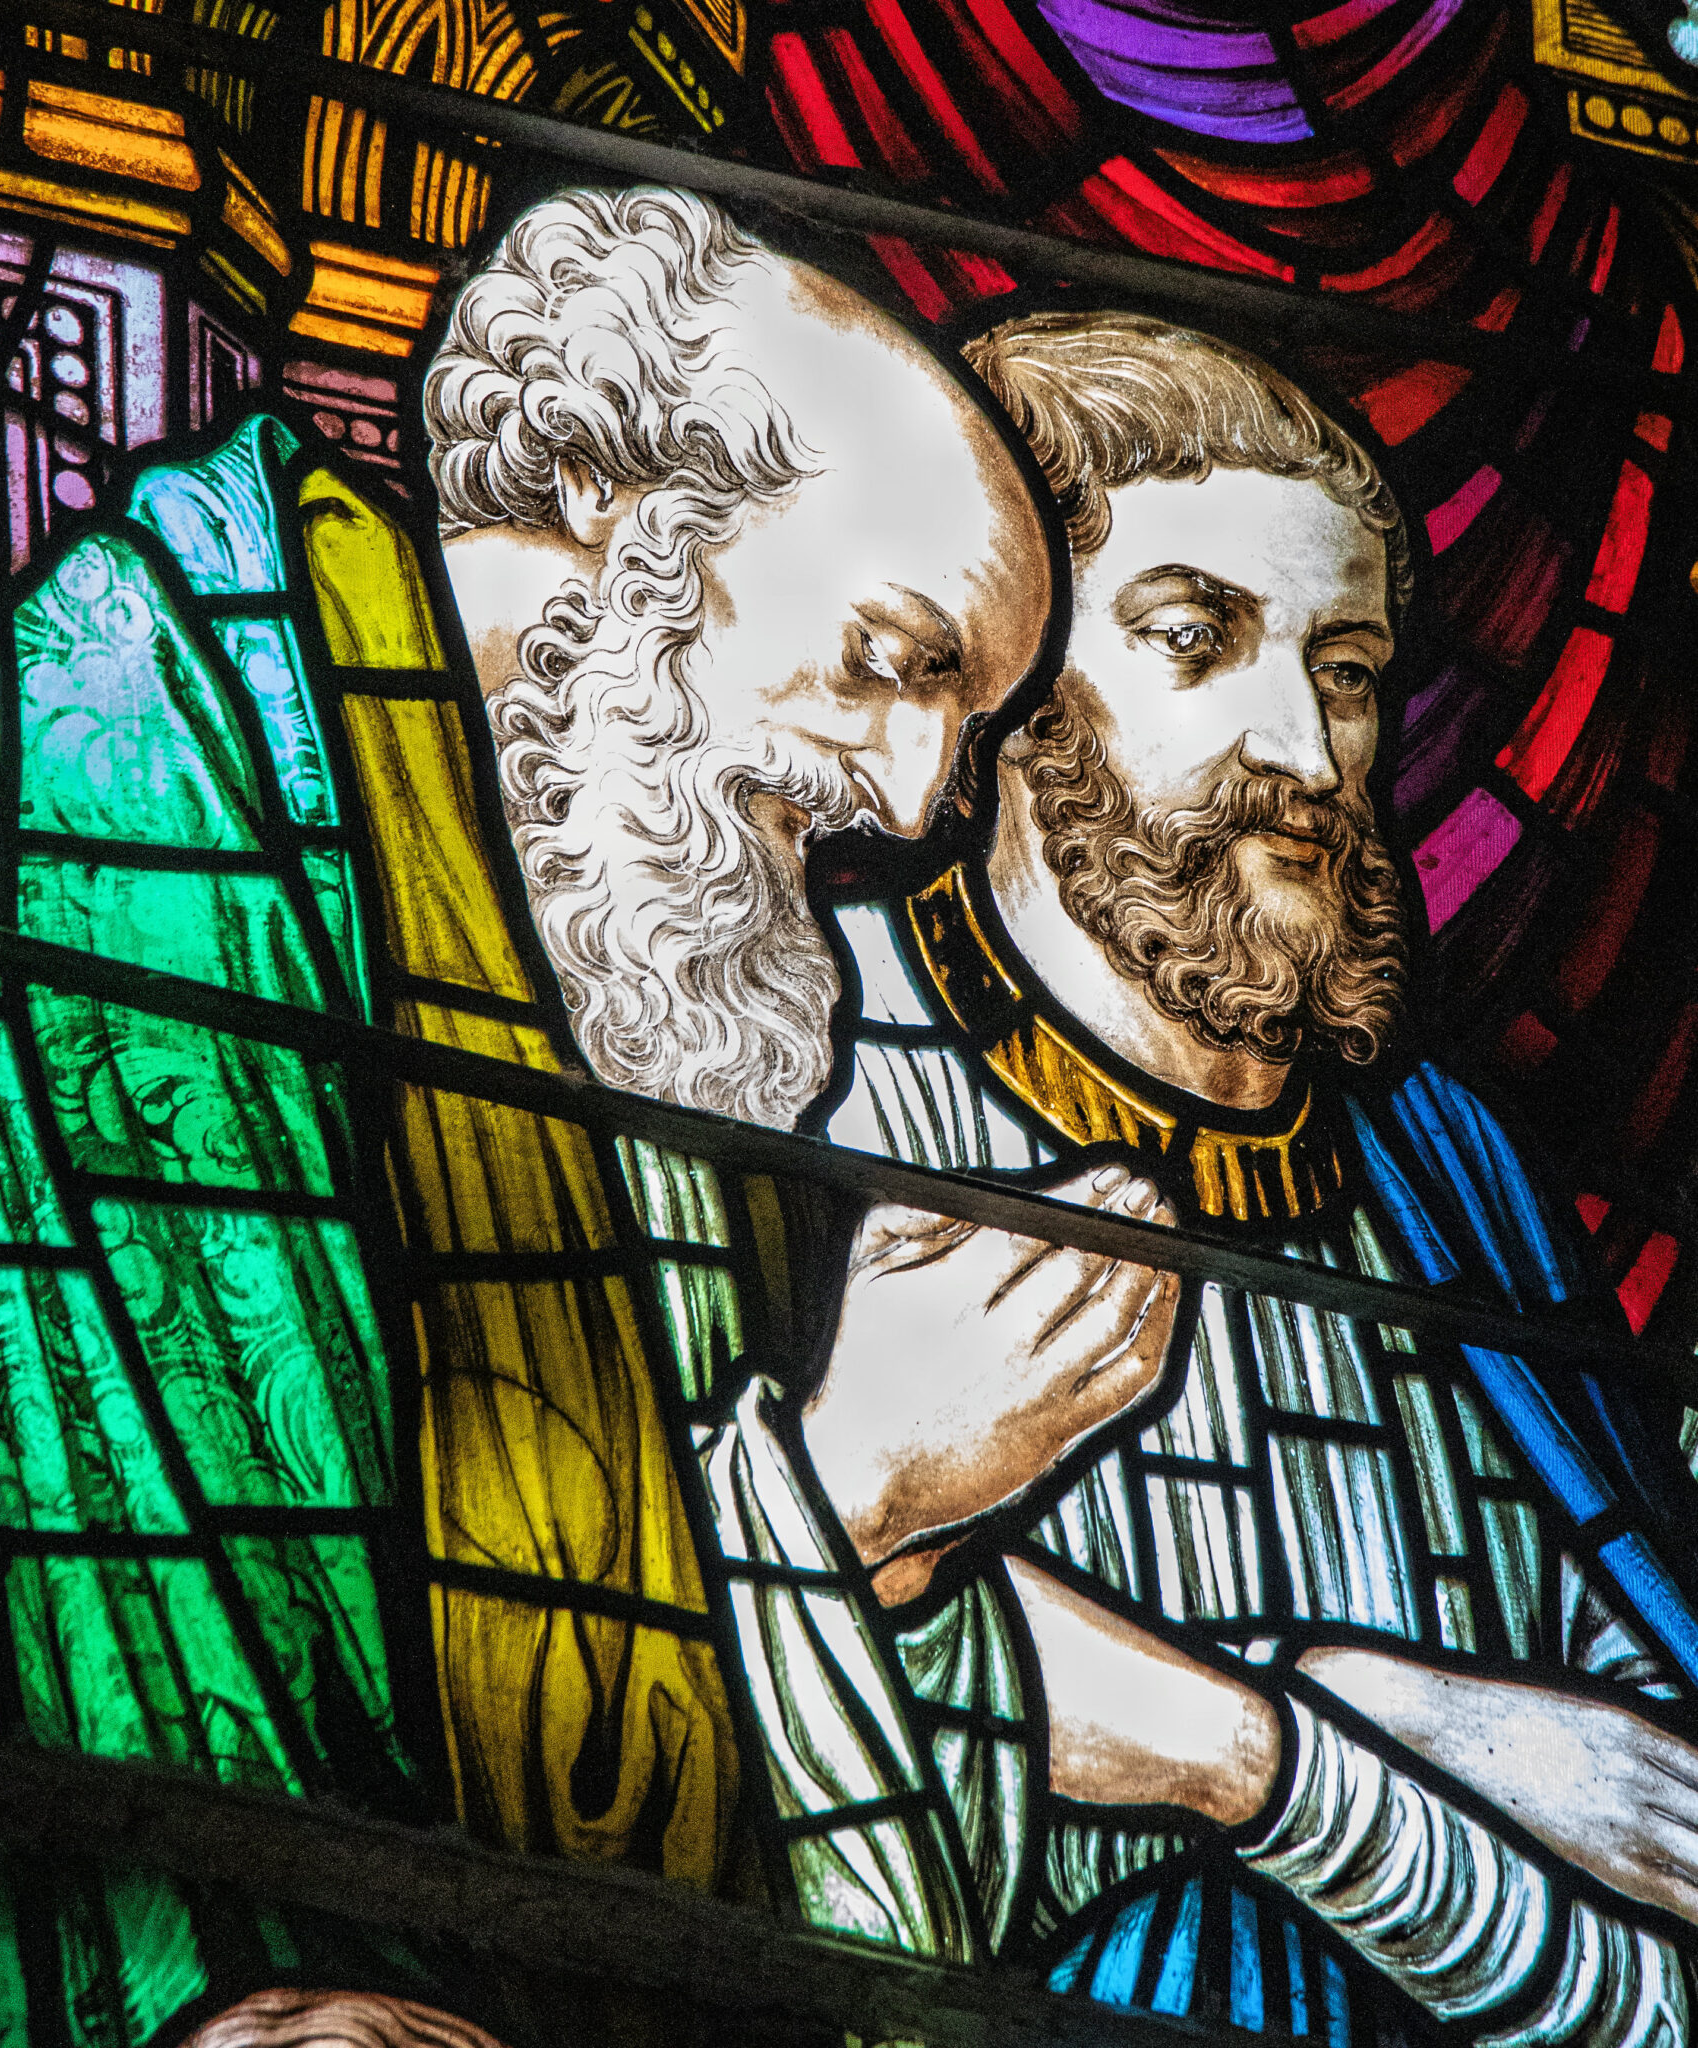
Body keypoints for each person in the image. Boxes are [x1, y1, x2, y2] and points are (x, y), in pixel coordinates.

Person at [709, 309, 1698, 2039]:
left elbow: (1650, 1937)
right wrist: (1320, 1739)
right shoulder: (780, 1067)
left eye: (1345, 670)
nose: (1305, 755)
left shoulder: (1446, 1180)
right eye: (1195, 638)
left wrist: (1255, 1728)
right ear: (1007, 680)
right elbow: (712, 1730)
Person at [424, 184, 1053, 1131]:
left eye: (963, 743)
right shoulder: (223, 668)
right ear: (602, 478)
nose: (907, 805)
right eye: (882, 656)